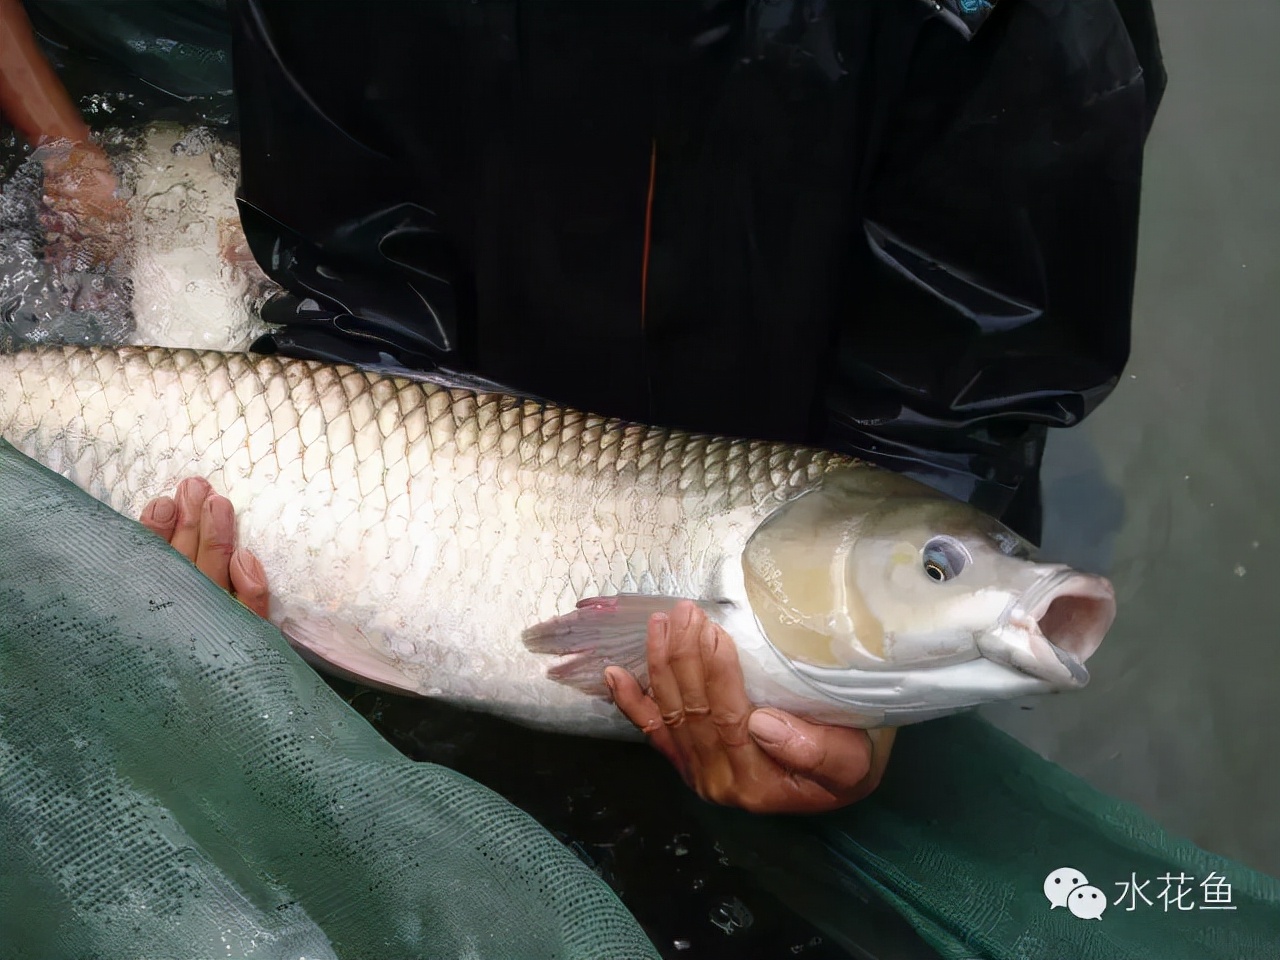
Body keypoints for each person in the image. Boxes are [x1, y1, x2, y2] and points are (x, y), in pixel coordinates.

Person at [0, 0, 1166, 815]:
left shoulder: (1020, 19)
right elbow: (360, 277)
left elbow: (966, 379)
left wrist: (867, 713)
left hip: (833, 449)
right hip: (460, 423)